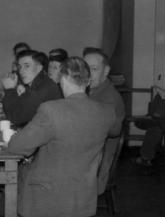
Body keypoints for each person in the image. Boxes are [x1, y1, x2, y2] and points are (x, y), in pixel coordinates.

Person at [7, 57, 116, 217]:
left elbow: (16, 147)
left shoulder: (51, 110)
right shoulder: (107, 112)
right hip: (83, 197)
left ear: (63, 79)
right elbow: (114, 131)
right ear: (88, 82)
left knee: (19, 170)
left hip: (48, 200)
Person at [83, 47, 125, 194]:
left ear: (106, 71)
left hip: (95, 167)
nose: (87, 73)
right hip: (88, 156)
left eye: (94, 69)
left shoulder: (108, 99)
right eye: (85, 68)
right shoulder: (89, 92)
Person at [2, 49, 62, 128]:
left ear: (39, 67)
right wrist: (21, 95)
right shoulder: (40, 82)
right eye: (20, 67)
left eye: (27, 66)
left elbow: (15, 117)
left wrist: (9, 89)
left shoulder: (44, 88)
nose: (21, 71)